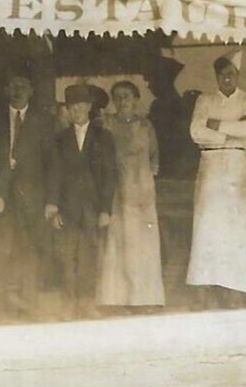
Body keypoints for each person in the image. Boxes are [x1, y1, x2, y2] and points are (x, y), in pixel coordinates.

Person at [186, 49, 246, 298]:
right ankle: (206, 287)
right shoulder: (205, 100)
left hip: (236, 161)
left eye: (230, 74)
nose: (226, 79)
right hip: (210, 161)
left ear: (238, 75)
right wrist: (231, 131)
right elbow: (196, 132)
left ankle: (236, 288)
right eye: (221, 75)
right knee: (208, 224)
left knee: (236, 225)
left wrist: (216, 124)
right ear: (216, 77)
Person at [46, 84, 118, 320]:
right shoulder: (59, 139)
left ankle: (87, 303)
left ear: (89, 107)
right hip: (67, 208)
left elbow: (109, 175)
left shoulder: (104, 137)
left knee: (89, 256)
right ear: (67, 110)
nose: (76, 110)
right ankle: (68, 304)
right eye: (72, 106)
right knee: (66, 257)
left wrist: (106, 209)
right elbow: (54, 174)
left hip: (92, 207)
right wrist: (53, 206)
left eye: (81, 105)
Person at [0, 71, 56, 321]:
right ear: (7, 90)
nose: (18, 91)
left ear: (31, 91)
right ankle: (0, 309)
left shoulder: (42, 122)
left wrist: (51, 200)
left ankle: (29, 306)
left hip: (33, 199)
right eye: (13, 86)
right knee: (2, 251)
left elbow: (53, 163)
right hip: (3, 199)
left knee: (30, 251)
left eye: (23, 86)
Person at [98, 81, 165, 310]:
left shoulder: (146, 126)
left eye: (127, 96)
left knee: (143, 245)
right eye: (117, 97)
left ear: (135, 99)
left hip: (142, 192)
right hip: (118, 190)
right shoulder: (107, 125)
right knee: (120, 242)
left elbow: (154, 158)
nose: (122, 101)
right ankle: (117, 299)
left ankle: (144, 299)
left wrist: (145, 180)